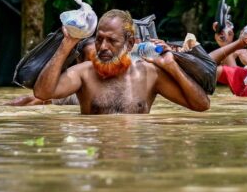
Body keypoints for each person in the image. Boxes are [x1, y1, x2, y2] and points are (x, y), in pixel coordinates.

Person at [33, 9, 210, 114]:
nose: (102, 47)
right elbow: (42, 93)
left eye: (112, 40)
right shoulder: (84, 73)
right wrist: (66, 45)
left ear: (130, 43)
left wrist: (172, 67)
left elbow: (202, 105)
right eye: (99, 39)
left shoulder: (149, 74)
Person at [6, 37, 97, 106]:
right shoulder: (73, 90)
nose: (98, 65)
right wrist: (2, 107)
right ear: (79, 61)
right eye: (92, 61)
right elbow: (34, 99)